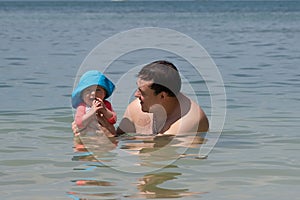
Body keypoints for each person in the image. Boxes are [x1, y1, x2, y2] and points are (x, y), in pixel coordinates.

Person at [116, 60, 209, 135]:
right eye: (138, 89)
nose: (136, 94)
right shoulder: (136, 107)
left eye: (142, 92)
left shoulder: (188, 122)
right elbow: (118, 139)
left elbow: (158, 153)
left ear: (163, 96)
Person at [71, 70, 117, 136]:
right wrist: (92, 111)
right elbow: (79, 122)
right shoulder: (82, 107)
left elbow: (113, 120)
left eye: (98, 90)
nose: (93, 93)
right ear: (82, 95)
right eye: (88, 90)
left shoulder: (106, 105)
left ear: (104, 94)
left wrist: (104, 110)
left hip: (103, 137)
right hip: (85, 137)